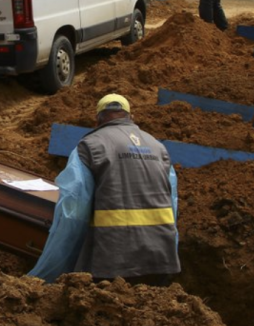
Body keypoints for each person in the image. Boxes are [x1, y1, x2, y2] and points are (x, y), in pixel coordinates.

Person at [29, 94, 180, 286]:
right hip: (161, 260)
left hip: (112, 265)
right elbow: (172, 206)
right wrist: (170, 251)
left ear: (97, 120)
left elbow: (72, 213)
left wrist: (47, 275)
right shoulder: (159, 148)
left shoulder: (90, 146)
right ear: (130, 117)